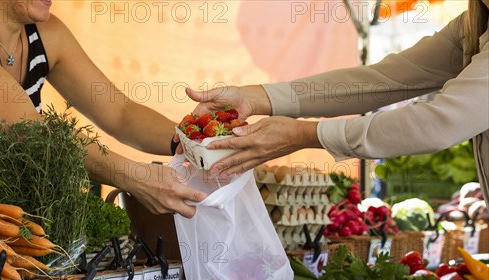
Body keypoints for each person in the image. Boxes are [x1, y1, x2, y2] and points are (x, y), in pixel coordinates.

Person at [0, 0, 207, 218]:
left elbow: (120, 113)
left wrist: (197, 143)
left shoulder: (47, 35)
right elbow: (34, 135)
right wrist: (134, 177)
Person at [184, 0, 489, 202]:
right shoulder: (476, 24)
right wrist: (258, 97)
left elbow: (436, 125)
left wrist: (303, 135)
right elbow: (383, 81)